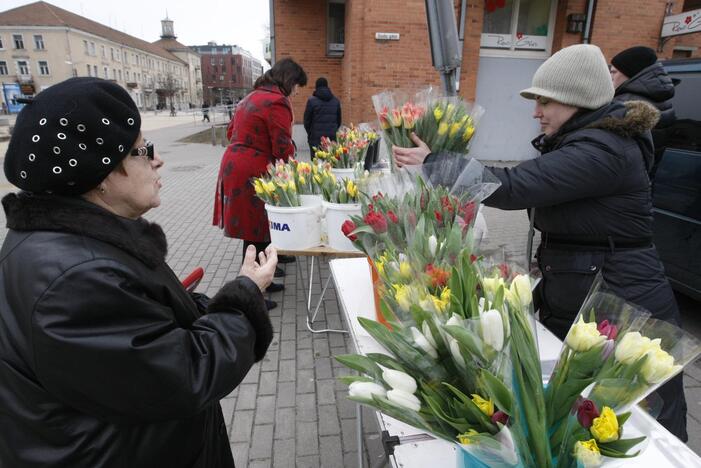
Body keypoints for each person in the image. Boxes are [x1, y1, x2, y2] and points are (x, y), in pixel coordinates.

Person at [392, 44, 687, 441]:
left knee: (645, 427)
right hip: (597, 288)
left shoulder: (603, 150)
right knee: (594, 419)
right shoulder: (590, 140)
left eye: (545, 101)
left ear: (576, 99)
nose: (536, 112)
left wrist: (436, 163)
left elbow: (516, 186)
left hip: (623, 298)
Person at [0, 77, 277, 467]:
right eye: (139, 151)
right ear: (99, 174)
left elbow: (146, 330)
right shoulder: (76, 279)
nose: (157, 159)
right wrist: (245, 300)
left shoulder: (75, 243)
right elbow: (183, 376)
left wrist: (219, 304)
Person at [213, 58, 307, 310]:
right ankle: (251, 293)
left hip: (237, 165)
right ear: (289, 80)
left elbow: (231, 132)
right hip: (252, 170)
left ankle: (264, 277)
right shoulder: (276, 101)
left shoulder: (252, 96)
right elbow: (281, 144)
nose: (297, 91)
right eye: (297, 85)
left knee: (259, 227)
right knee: (254, 232)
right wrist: (293, 173)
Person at [610, 45, 676, 180]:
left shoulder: (627, 104)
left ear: (631, 72)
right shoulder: (661, 100)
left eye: (614, 72)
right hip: (643, 181)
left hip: (621, 183)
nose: (610, 77)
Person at [303, 77, 342, 151]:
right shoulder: (336, 101)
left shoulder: (311, 101)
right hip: (331, 139)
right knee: (330, 160)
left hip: (315, 139)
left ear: (316, 87)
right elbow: (339, 121)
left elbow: (306, 121)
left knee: (316, 161)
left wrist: (311, 133)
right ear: (327, 86)